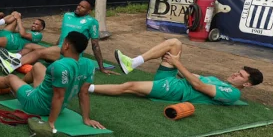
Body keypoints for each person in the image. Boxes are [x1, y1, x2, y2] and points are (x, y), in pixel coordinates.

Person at [0, 32, 104, 134]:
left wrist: (50, 122)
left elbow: (59, 96)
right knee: (38, 66)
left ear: (66, 45)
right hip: (58, 107)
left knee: (11, 77)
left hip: (36, 104)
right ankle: (17, 88)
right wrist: (86, 119)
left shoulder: (59, 66)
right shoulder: (88, 64)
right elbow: (84, 94)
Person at [90, 38, 263, 105]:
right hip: (175, 79)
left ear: (247, 84)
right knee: (175, 44)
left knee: (130, 86)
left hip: (177, 91)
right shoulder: (222, 81)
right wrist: (172, 64)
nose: (234, 74)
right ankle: (133, 63)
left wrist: (176, 63)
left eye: (240, 75)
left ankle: (87, 88)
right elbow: (192, 77)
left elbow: (198, 86)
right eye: (237, 71)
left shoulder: (232, 93)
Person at [0, 0, 115, 76]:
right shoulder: (67, 16)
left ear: (89, 11)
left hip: (70, 54)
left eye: (82, 7)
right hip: (59, 49)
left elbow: (95, 45)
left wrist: (101, 67)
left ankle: (12, 65)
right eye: (78, 5)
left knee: (39, 52)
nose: (78, 7)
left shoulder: (92, 22)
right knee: (29, 45)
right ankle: (14, 57)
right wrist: (52, 48)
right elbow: (63, 35)